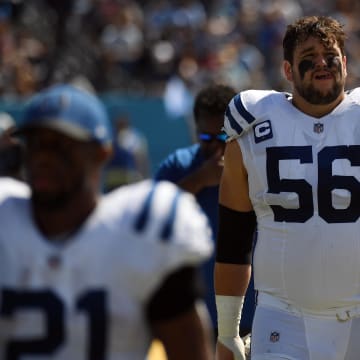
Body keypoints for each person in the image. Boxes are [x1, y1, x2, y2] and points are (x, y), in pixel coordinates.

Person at [0, 84, 215, 360]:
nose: (43, 157)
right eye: (36, 144)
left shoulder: (144, 229)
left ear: (101, 152)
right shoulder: (6, 217)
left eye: (61, 145)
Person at [215, 15, 360, 360]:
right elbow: (234, 240)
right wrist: (226, 331)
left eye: (331, 54)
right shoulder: (253, 122)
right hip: (283, 316)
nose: (322, 62)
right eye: (309, 55)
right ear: (288, 70)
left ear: (345, 63)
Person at [155, 83, 256, 339]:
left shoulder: (257, 164)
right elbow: (154, 214)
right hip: (196, 312)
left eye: (223, 138)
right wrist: (199, 180)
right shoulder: (180, 164)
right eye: (205, 139)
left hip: (252, 311)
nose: (215, 148)